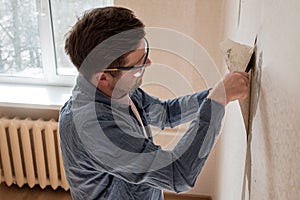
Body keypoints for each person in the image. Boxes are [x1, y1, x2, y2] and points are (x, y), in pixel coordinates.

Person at [59, 6, 249, 200]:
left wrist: (217, 92)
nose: (148, 62)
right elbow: (178, 174)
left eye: (145, 50)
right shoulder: (93, 128)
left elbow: (165, 113)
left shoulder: (116, 87)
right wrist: (217, 101)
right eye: (139, 63)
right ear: (103, 78)